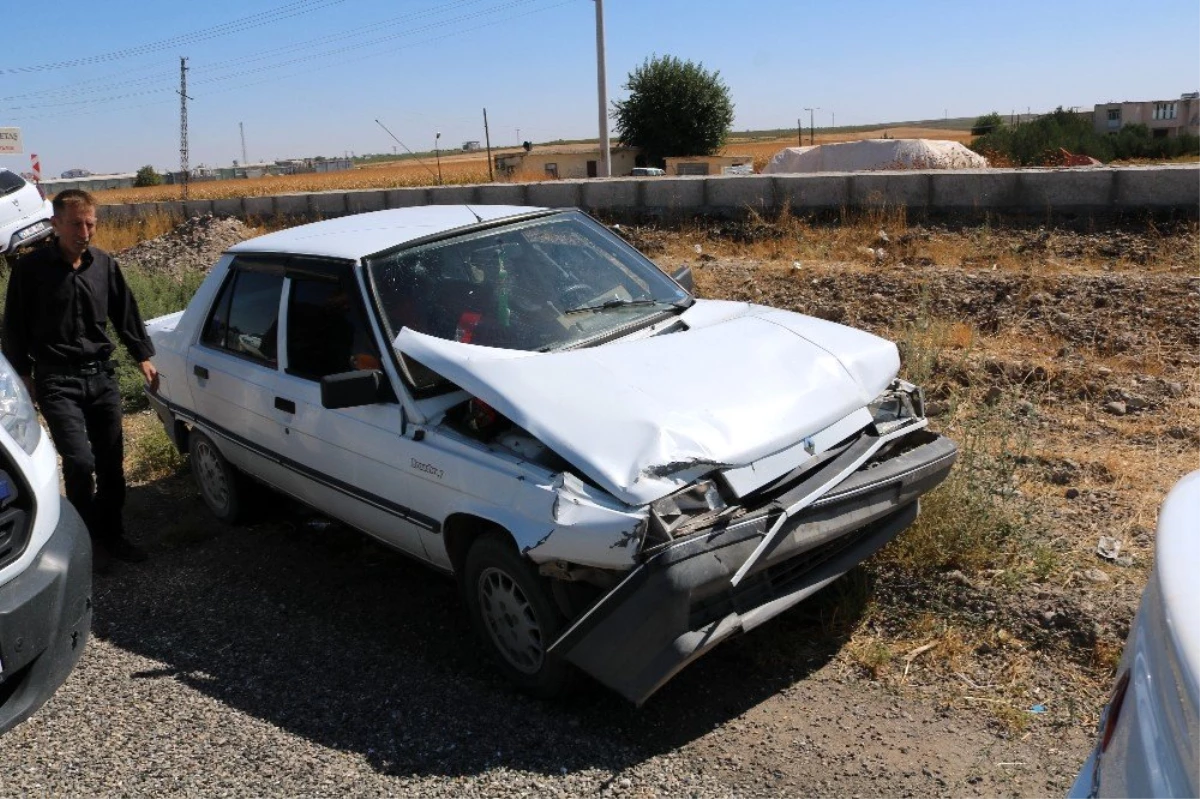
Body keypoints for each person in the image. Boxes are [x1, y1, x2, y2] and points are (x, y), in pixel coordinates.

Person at [2, 189, 158, 564]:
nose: (84, 231)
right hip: (57, 382)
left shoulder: (104, 265)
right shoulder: (30, 270)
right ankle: (88, 544)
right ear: (55, 223)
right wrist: (23, 376)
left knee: (110, 461)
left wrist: (143, 357)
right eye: (75, 223)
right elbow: (14, 327)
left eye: (90, 223)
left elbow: (125, 313)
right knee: (79, 461)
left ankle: (113, 536)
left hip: (102, 377)